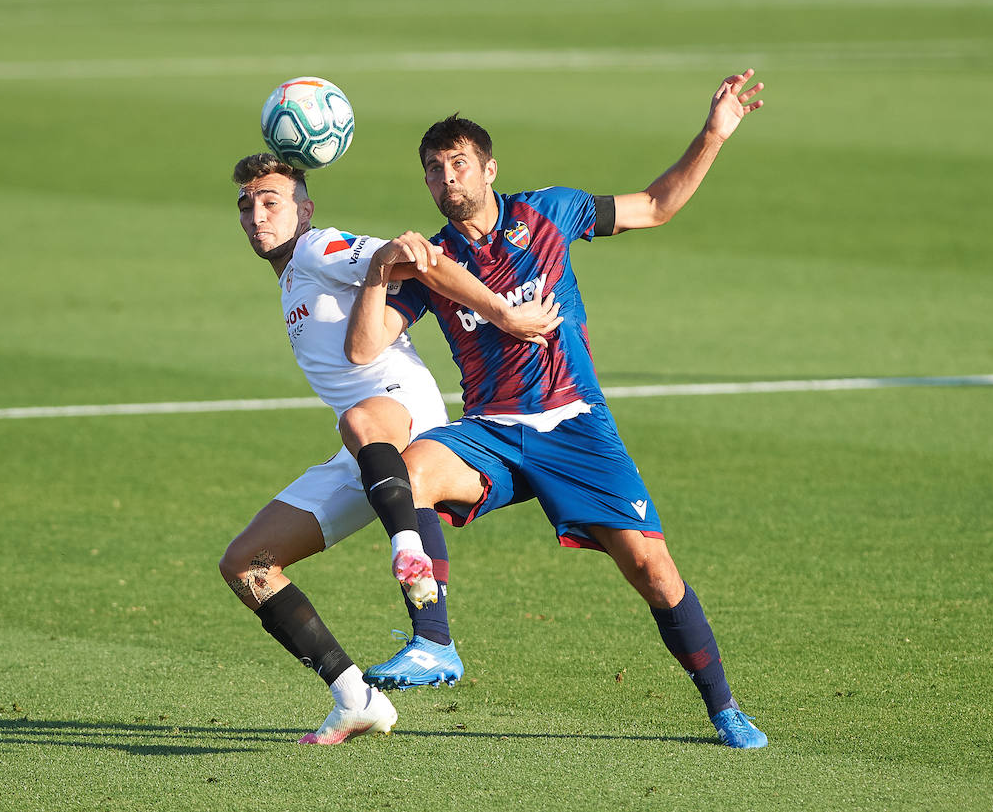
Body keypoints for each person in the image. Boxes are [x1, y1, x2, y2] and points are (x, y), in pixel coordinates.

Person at [346, 71, 770, 748]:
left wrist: (713, 134)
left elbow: (657, 205)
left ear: (488, 168)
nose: (447, 177)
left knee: (653, 572)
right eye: (433, 170)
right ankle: (433, 641)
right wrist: (378, 271)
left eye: (458, 163)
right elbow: (365, 345)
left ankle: (722, 706)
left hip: (576, 425)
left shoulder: (551, 211)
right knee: (408, 474)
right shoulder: (431, 262)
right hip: (492, 432)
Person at [219, 152, 560, 745]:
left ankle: (410, 550)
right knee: (247, 564)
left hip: (398, 409)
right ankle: (355, 697)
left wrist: (503, 313)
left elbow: (416, 258)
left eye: (271, 202)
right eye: (247, 205)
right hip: (365, 450)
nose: (256, 215)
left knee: (357, 419)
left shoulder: (316, 246)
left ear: (305, 207)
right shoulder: (292, 275)